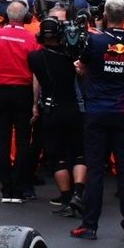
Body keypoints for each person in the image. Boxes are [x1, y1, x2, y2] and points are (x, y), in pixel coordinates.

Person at [71, 0, 124, 240]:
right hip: (123, 111)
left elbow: (82, 65)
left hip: (98, 112)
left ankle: (90, 226)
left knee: (95, 170)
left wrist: (85, 70)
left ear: (105, 17)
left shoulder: (96, 41)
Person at [0, 0, 40, 202]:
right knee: (23, 139)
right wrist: (35, 102)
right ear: (24, 17)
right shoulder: (32, 39)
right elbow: (35, 74)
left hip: (1, 91)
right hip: (23, 91)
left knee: (2, 138)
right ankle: (19, 184)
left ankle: (6, 187)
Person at [29, 17, 86, 216]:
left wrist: (35, 106)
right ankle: (78, 193)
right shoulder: (73, 56)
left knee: (57, 156)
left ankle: (67, 196)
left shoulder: (34, 58)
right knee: (79, 153)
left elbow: (37, 82)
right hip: (73, 108)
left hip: (51, 109)